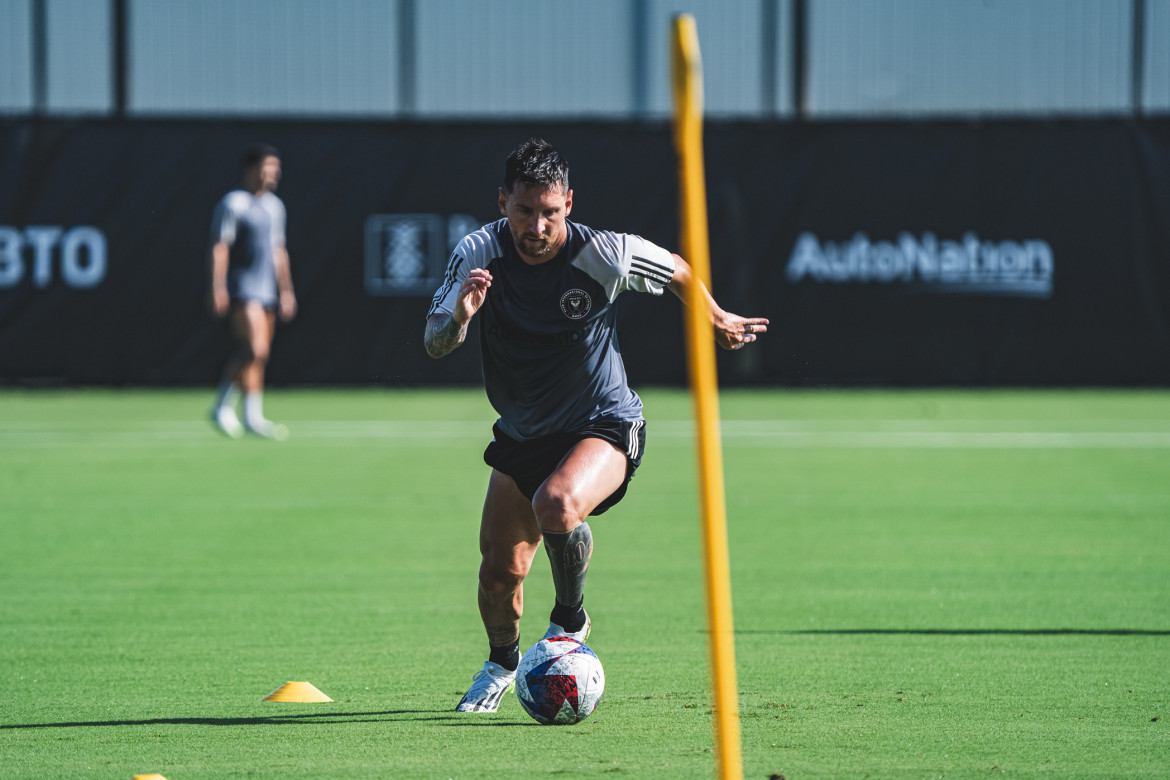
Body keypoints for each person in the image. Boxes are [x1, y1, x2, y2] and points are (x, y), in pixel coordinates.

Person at [425, 138, 769, 713]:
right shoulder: (477, 252)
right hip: (521, 433)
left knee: (558, 505)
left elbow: (679, 269)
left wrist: (716, 319)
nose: (536, 225)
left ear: (569, 204)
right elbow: (434, 342)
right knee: (498, 575)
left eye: (550, 212)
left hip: (602, 422)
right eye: (524, 211)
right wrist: (459, 319)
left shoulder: (603, 254)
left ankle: (569, 621)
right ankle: (502, 663)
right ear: (503, 202)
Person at [207, 143, 296, 440]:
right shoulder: (233, 204)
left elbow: (278, 251)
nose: (273, 174)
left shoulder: (275, 206)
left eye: (275, 169)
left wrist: (286, 291)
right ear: (250, 169)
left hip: (267, 290)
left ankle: (252, 417)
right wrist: (217, 287)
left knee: (260, 355)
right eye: (267, 168)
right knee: (254, 349)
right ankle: (221, 405)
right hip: (242, 288)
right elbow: (220, 247)